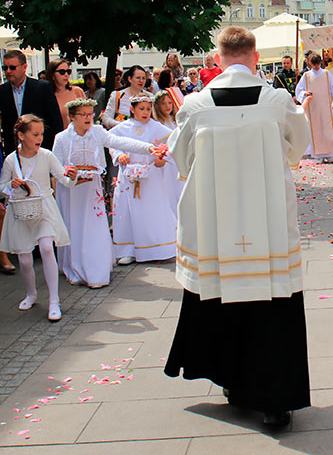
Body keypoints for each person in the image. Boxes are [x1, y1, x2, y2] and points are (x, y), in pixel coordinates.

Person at [164, 26, 311, 427]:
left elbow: (181, 161)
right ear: (254, 55)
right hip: (268, 223)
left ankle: (231, 381)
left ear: (218, 57)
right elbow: (299, 148)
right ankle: (275, 400)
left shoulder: (195, 105)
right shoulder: (278, 100)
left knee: (221, 297)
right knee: (272, 304)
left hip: (215, 224)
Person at [53, 99, 158, 288]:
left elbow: (119, 141)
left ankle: (96, 265)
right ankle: (74, 265)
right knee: (74, 225)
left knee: (94, 225)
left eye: (90, 114)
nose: (88, 118)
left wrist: (148, 147)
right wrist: (70, 176)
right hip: (71, 189)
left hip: (91, 187)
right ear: (72, 117)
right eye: (83, 115)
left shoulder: (97, 132)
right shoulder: (62, 138)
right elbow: (56, 166)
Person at [0, 114, 78, 321]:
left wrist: (73, 176)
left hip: (44, 209)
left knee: (46, 247)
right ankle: (31, 293)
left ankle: (54, 300)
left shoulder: (46, 155)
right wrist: (11, 186)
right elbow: (2, 187)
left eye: (41, 134)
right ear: (21, 136)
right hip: (21, 212)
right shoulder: (10, 160)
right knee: (24, 260)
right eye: (35, 134)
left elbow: (64, 179)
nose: (39, 138)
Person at [109, 93, 176, 264]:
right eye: (141, 109)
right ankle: (128, 249)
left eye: (148, 109)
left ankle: (158, 247)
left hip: (151, 176)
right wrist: (119, 155)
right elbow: (112, 143)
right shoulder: (122, 128)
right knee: (127, 212)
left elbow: (170, 145)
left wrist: (162, 158)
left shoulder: (157, 128)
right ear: (132, 109)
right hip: (128, 176)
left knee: (152, 212)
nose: (145, 112)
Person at [0, 49, 63, 155]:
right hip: (14, 152)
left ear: (24, 67)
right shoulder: (2, 91)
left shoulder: (42, 88)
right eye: (5, 68)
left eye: (12, 67)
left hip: (41, 149)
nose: (8, 71)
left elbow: (55, 122)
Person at [295, 53, 333, 161]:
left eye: (318, 64)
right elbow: (298, 90)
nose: (316, 67)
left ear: (321, 63)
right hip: (313, 107)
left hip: (325, 106)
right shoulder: (306, 76)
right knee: (316, 130)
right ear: (310, 63)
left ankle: (329, 153)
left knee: (327, 129)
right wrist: (305, 93)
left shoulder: (326, 73)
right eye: (314, 64)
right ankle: (318, 154)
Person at [46, 59, 86, 129]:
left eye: (68, 71)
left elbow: (87, 115)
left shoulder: (77, 91)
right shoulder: (47, 95)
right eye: (62, 72)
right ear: (52, 75)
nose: (66, 75)